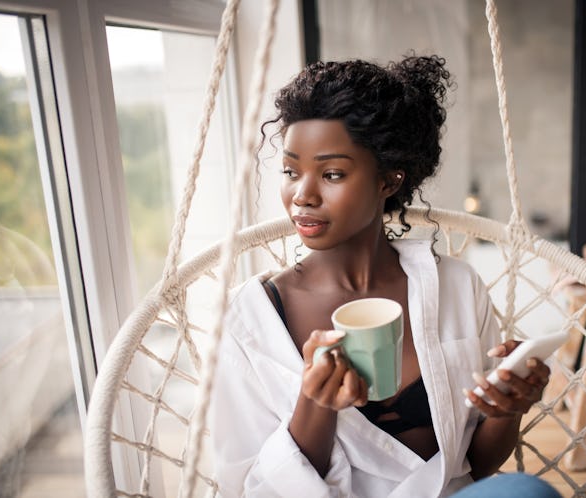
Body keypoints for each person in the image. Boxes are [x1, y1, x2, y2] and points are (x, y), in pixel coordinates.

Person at [210, 55, 561, 497]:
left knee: (526, 492)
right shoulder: (250, 318)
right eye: (290, 171)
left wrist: (508, 410)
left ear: (389, 180)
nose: (302, 194)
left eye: (332, 173)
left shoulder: (455, 286)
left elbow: (478, 465)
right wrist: (315, 403)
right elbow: (249, 487)